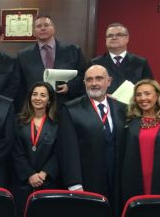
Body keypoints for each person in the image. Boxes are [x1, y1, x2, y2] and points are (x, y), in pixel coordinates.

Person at [58, 65, 127, 214]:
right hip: (88, 179)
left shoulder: (123, 108)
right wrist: (75, 184)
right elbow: (68, 150)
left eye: (99, 78)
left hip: (117, 179)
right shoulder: (71, 109)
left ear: (109, 81)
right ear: (84, 83)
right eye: (89, 79)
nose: (94, 83)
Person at [12, 81, 60, 216]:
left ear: (49, 100)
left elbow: (59, 152)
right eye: (34, 94)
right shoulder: (17, 120)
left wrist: (44, 173)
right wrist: (29, 174)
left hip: (48, 182)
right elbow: (15, 150)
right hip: (23, 181)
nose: (38, 98)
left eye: (43, 95)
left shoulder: (58, 123)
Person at [17, 15, 86, 105]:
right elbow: (20, 85)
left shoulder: (73, 50)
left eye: (46, 25)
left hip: (66, 104)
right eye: (38, 26)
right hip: (36, 107)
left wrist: (70, 87)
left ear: (53, 29)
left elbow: (83, 74)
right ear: (34, 32)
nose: (42, 28)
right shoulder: (23, 55)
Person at [91, 23, 153, 94]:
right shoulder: (95, 63)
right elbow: (87, 90)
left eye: (119, 35)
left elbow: (150, 89)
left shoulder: (140, 63)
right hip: (105, 104)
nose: (114, 37)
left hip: (132, 104)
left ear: (127, 38)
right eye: (110, 36)